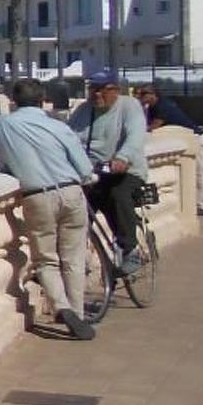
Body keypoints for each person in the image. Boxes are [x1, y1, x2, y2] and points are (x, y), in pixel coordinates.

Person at [0, 78, 99, 341]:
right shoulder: (58, 126)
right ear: (42, 100)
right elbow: (84, 168)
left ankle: (61, 307)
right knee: (73, 257)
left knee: (46, 259)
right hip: (71, 191)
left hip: (37, 195)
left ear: (14, 101)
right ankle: (77, 313)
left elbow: (2, 162)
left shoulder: (2, 124)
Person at [69, 70, 148, 278]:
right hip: (92, 172)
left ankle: (130, 249)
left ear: (115, 90)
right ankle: (74, 258)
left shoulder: (129, 106)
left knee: (118, 195)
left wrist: (123, 157)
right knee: (75, 209)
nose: (97, 94)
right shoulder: (83, 111)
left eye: (102, 90)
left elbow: (136, 134)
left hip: (126, 170)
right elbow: (68, 137)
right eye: (93, 89)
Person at [135, 85, 203, 216]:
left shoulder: (162, 105)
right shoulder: (152, 107)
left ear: (153, 94)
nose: (139, 97)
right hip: (183, 139)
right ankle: (195, 203)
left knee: (200, 173)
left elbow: (154, 126)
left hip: (195, 138)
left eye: (143, 94)